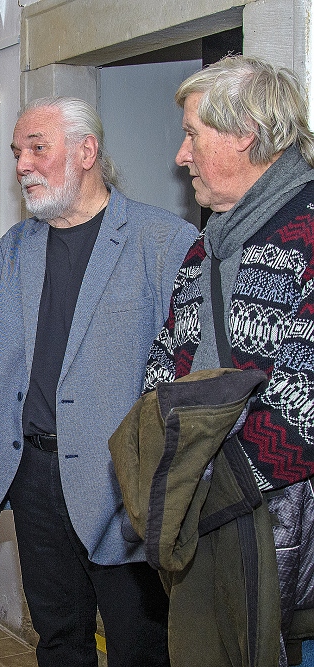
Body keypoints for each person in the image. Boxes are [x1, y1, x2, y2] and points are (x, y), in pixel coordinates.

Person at [0, 97, 198, 667]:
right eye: (16, 152)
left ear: (86, 151)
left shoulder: (164, 242)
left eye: (37, 148)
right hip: (35, 479)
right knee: (58, 641)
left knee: (140, 647)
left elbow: (193, 373)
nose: (22, 164)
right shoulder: (16, 248)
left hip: (122, 484)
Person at [142, 55, 314, 664]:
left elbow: (305, 404)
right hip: (209, 513)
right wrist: (165, 465)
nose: (180, 156)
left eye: (192, 134)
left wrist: (212, 489)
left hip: (278, 525)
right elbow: (167, 359)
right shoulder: (206, 246)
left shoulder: (308, 232)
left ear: (245, 133)